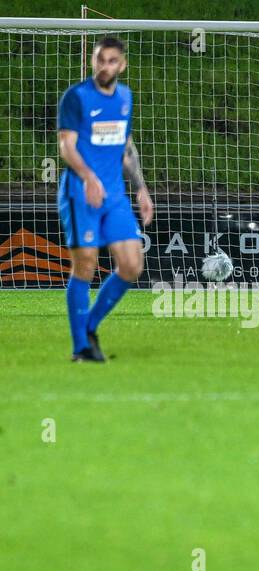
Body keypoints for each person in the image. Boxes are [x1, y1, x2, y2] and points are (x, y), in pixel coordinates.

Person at [57, 35, 154, 362]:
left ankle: (89, 326)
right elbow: (66, 146)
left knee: (131, 265)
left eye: (112, 61)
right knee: (85, 265)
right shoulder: (77, 97)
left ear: (122, 65)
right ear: (93, 61)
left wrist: (141, 187)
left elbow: (126, 148)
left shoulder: (125, 97)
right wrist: (88, 177)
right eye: (100, 59)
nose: (105, 66)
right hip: (80, 192)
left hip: (114, 195)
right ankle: (80, 348)